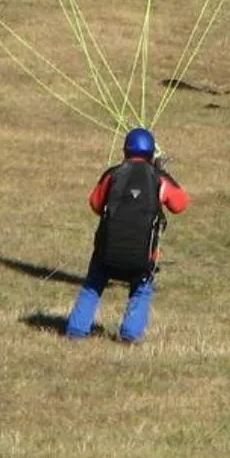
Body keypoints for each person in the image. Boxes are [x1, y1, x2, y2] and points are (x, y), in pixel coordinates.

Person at [66, 127, 189, 343]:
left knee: (93, 286)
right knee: (141, 290)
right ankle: (131, 334)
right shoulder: (159, 178)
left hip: (107, 252)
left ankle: (77, 331)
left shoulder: (114, 174)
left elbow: (95, 204)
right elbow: (180, 204)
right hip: (142, 256)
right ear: (152, 152)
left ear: (125, 151)